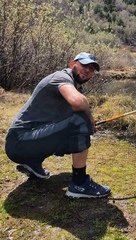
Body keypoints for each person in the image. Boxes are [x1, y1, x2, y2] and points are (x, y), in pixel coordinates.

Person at [5, 52, 111, 199]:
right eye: (84, 65)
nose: (87, 70)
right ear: (72, 64)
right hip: (18, 142)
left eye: (92, 69)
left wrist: (86, 127)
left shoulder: (75, 87)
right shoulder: (61, 78)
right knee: (80, 120)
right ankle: (80, 184)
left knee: (78, 124)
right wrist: (89, 118)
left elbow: (68, 121)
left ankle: (32, 162)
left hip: (25, 142)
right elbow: (78, 102)